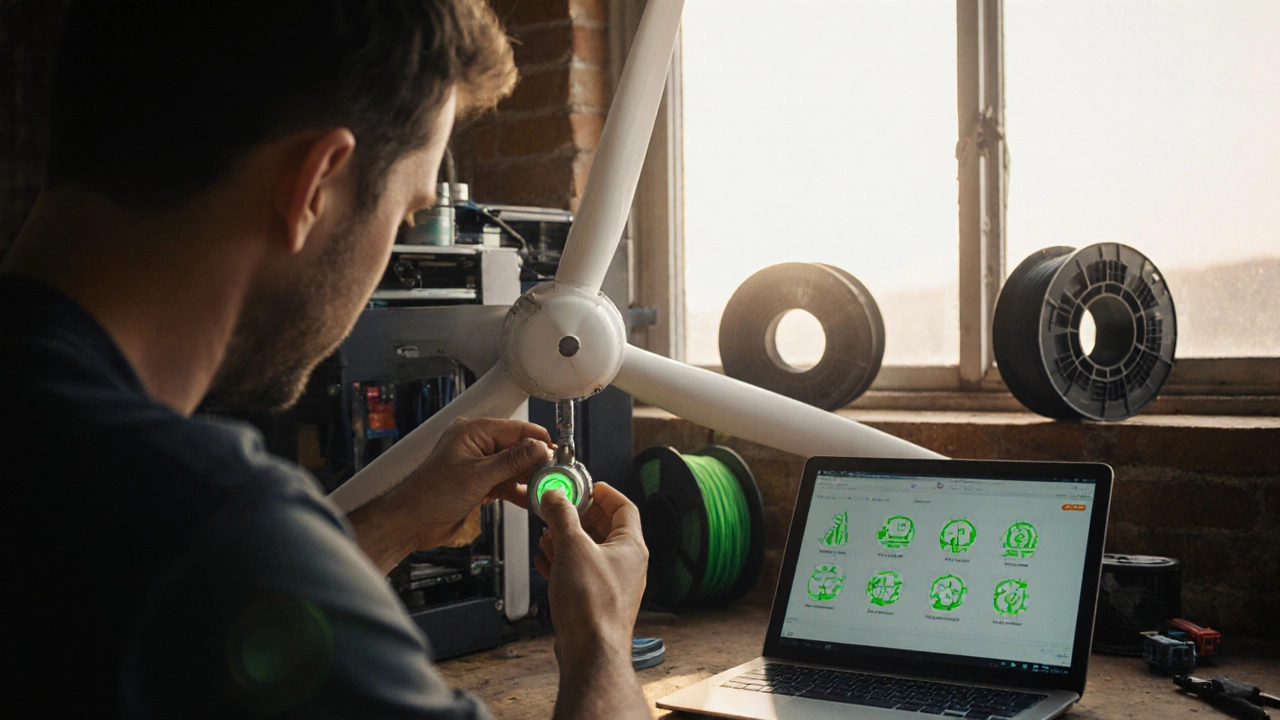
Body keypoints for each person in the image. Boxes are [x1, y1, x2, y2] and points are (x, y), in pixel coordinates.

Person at [0, 1, 650, 718]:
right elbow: (214, 567)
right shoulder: (211, 526)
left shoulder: (109, 501)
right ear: (314, 185)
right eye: (407, 213)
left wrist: (398, 520)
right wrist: (600, 642)